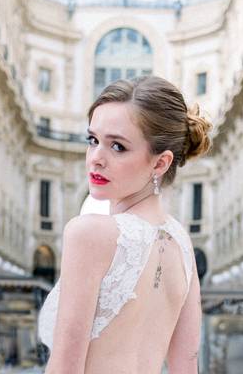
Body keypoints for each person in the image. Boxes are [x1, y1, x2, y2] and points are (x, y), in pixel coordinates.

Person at [38, 76, 212, 374]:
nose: (96, 159)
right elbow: (187, 366)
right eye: (93, 140)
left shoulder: (89, 233)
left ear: (160, 163)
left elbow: (66, 367)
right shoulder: (182, 244)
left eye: (117, 146)